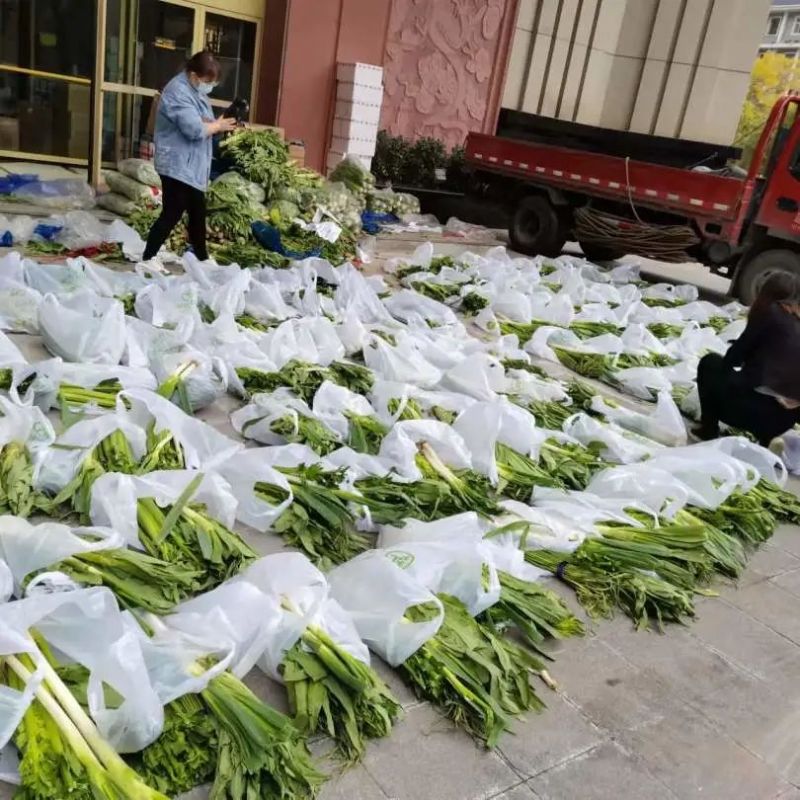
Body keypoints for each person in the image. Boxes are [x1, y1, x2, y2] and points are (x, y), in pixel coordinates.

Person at [142, 51, 236, 263]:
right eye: (207, 82)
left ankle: (202, 258)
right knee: (172, 213)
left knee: (197, 211)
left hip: (191, 165)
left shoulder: (195, 90)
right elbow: (194, 129)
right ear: (194, 75)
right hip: (177, 164)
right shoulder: (178, 92)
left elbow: (203, 120)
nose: (209, 86)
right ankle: (148, 257)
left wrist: (219, 123)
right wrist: (217, 126)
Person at [695, 271, 800, 447]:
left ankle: (708, 429)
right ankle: (767, 440)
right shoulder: (794, 321)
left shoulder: (770, 313)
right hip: (785, 421)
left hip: (750, 413)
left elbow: (732, 359)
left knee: (710, 362)